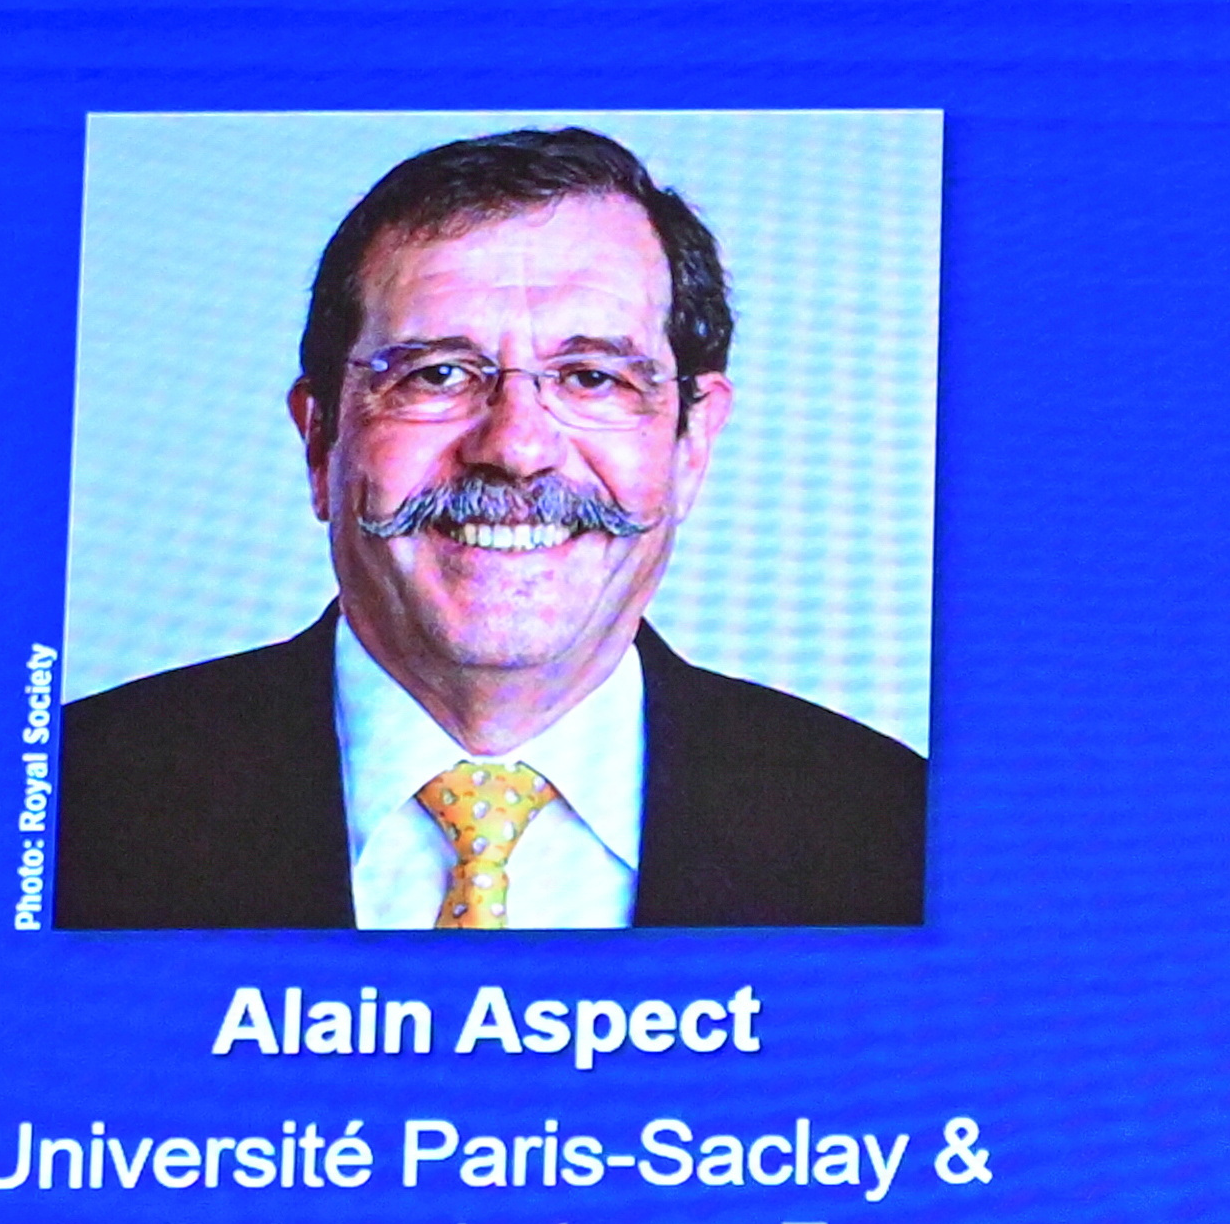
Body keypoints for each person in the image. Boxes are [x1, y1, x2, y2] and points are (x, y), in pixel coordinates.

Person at [53, 126, 926, 930]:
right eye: (437, 374)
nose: (515, 448)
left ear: (691, 443)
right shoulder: (66, 806)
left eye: (591, 378)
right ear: (321, 439)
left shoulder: (893, 832)